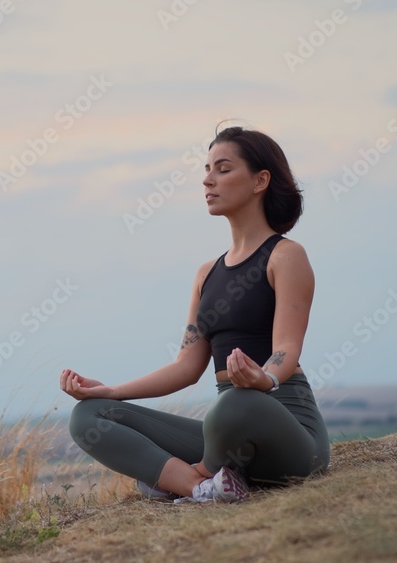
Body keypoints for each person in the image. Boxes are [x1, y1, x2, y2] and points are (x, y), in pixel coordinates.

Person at [59, 124, 329, 503]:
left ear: (260, 181)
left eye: (222, 168)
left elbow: (287, 345)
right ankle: (201, 488)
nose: (207, 180)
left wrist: (264, 379)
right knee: (90, 416)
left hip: (288, 431)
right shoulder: (207, 274)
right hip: (227, 433)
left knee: (236, 401)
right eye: (206, 170)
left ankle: (185, 476)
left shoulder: (286, 256)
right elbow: (186, 367)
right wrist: (112, 391)